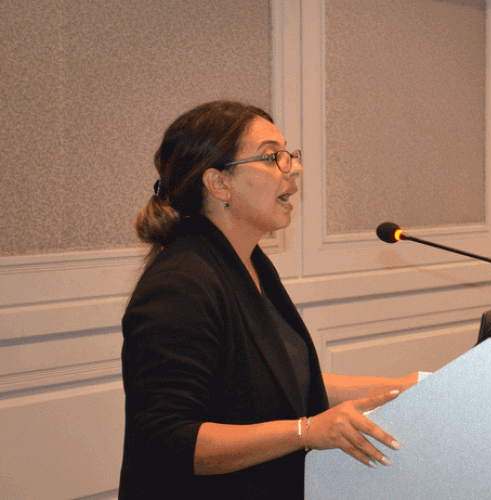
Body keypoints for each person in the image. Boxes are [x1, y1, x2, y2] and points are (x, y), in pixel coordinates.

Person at [119, 100, 418, 499]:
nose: (293, 169)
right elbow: (171, 441)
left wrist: (400, 388)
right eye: (271, 157)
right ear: (219, 184)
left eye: (288, 154)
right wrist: (305, 431)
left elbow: (279, 380)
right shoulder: (179, 284)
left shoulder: (250, 263)